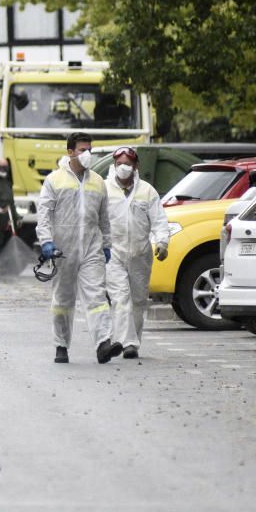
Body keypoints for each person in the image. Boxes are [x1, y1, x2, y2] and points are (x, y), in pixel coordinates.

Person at [36, 132, 123, 364]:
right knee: (63, 300)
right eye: (83, 149)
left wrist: (106, 244)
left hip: (91, 248)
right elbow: (44, 214)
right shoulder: (54, 180)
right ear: (70, 152)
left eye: (89, 150)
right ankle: (61, 345)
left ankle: (103, 343)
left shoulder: (97, 182)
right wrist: (46, 241)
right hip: (62, 249)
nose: (88, 154)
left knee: (97, 297)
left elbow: (104, 218)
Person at [105, 147, 170, 358]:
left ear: (136, 166)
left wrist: (162, 242)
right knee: (121, 298)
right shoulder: (104, 189)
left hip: (140, 254)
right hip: (113, 253)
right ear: (114, 165)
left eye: (128, 164)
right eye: (119, 164)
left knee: (138, 300)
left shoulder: (147, 191)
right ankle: (128, 343)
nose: (123, 168)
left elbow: (159, 220)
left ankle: (133, 340)